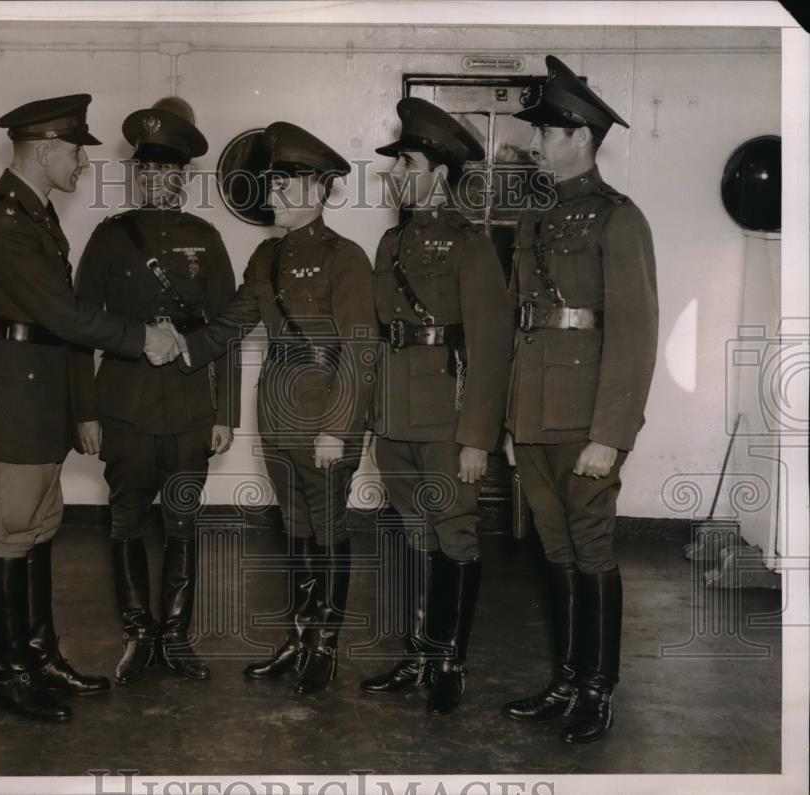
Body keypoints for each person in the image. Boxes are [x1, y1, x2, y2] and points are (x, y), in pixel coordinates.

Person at [0, 94, 170, 722]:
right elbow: (61, 315)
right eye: (76, 149)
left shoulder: (35, 215)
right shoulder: (4, 223)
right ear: (46, 148)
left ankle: (41, 654)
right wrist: (143, 337)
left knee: (41, 523)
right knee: (11, 529)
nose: (82, 160)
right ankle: (12, 674)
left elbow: (33, 317)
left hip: (36, 392)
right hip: (16, 397)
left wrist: (80, 399)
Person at [147, 121, 378, 695]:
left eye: (282, 185)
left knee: (327, 529)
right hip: (277, 416)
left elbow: (359, 348)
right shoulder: (266, 256)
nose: (270, 195)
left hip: (326, 414)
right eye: (271, 184)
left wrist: (338, 428)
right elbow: (233, 321)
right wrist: (182, 346)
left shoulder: (345, 258)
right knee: (295, 527)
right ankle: (298, 638)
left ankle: (324, 644)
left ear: (317, 190)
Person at [499, 56, 659, 743]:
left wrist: (610, 432)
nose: (535, 143)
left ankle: (598, 687)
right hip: (534, 414)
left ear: (582, 138)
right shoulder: (535, 219)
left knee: (591, 546)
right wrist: (512, 420)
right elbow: (519, 324)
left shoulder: (618, 219)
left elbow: (635, 333)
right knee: (554, 547)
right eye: (537, 132)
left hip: (586, 415)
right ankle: (566, 677)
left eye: (547, 132)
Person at [72, 98, 240, 685]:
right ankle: (138, 635)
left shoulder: (206, 238)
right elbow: (77, 329)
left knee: (183, 522)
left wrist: (227, 414)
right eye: (144, 169)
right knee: (125, 521)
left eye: (166, 169)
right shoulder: (109, 237)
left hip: (192, 405)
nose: (154, 179)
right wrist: (85, 412)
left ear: (185, 175)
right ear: (135, 172)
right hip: (123, 407)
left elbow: (228, 330)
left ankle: (175, 636)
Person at [358, 97, 513, 715]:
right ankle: (417, 654)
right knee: (410, 537)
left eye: (408, 164)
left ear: (439, 174)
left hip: (448, 422)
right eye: (397, 165)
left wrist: (477, 435)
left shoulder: (471, 246)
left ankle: (450, 659)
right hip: (395, 417)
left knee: (455, 537)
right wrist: (373, 417)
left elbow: (491, 346)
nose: (396, 175)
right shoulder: (390, 244)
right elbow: (376, 335)